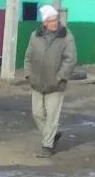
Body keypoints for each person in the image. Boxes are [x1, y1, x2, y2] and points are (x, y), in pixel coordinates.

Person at [24, 5, 77, 159]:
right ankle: (52, 135)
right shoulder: (35, 35)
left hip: (56, 85)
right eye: (51, 20)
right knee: (37, 114)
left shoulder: (66, 36)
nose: (54, 23)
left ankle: (47, 146)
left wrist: (60, 76)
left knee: (52, 117)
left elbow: (71, 59)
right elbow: (28, 56)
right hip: (37, 83)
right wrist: (28, 75)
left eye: (55, 19)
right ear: (45, 22)